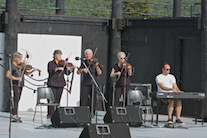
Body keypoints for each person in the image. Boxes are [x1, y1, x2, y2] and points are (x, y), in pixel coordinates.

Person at [6, 52, 37, 122]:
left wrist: (33, 71)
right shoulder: (12, 65)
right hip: (14, 85)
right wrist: (16, 78)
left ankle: (15, 113)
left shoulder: (21, 66)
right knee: (15, 99)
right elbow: (8, 75)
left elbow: (26, 73)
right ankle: (14, 114)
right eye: (20, 58)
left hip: (20, 85)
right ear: (15, 58)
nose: (21, 60)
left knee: (18, 99)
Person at [47, 50, 76, 118]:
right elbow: (50, 70)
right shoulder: (50, 63)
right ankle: (50, 114)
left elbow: (67, 73)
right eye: (59, 55)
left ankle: (56, 114)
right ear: (55, 56)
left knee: (58, 100)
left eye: (61, 55)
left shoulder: (63, 64)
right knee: (51, 100)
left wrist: (72, 69)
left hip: (60, 83)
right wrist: (57, 68)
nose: (60, 57)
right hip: (52, 83)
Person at [79, 49, 102, 115]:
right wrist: (83, 69)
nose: (88, 55)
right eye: (87, 54)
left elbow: (99, 73)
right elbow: (79, 71)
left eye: (89, 54)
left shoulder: (95, 61)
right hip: (86, 82)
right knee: (84, 98)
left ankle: (92, 113)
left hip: (94, 82)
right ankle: (84, 112)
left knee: (93, 98)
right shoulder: (84, 62)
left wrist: (97, 66)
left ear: (92, 55)